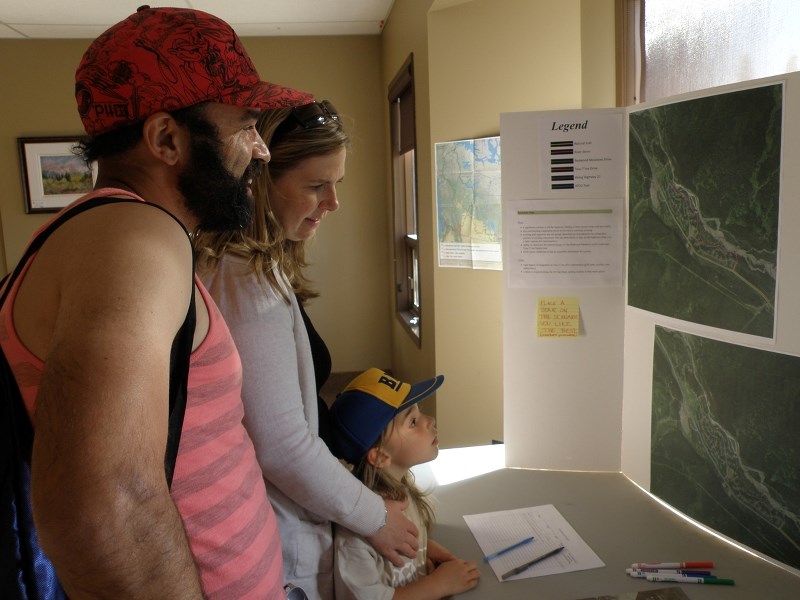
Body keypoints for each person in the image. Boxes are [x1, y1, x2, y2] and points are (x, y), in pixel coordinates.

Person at [0, 6, 316, 599]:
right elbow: (102, 503)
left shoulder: (127, 236)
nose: (261, 149)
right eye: (245, 125)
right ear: (167, 139)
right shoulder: (135, 239)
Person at [194, 102, 420, 598]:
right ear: (257, 184)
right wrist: (372, 515)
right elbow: (279, 442)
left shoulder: (252, 268)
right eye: (317, 186)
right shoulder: (243, 279)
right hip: (277, 541)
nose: (333, 202)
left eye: (336, 183)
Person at [330, 368, 481, 599]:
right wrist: (438, 586)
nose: (430, 421)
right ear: (380, 457)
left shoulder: (401, 492)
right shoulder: (355, 536)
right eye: (413, 421)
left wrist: (424, 548)